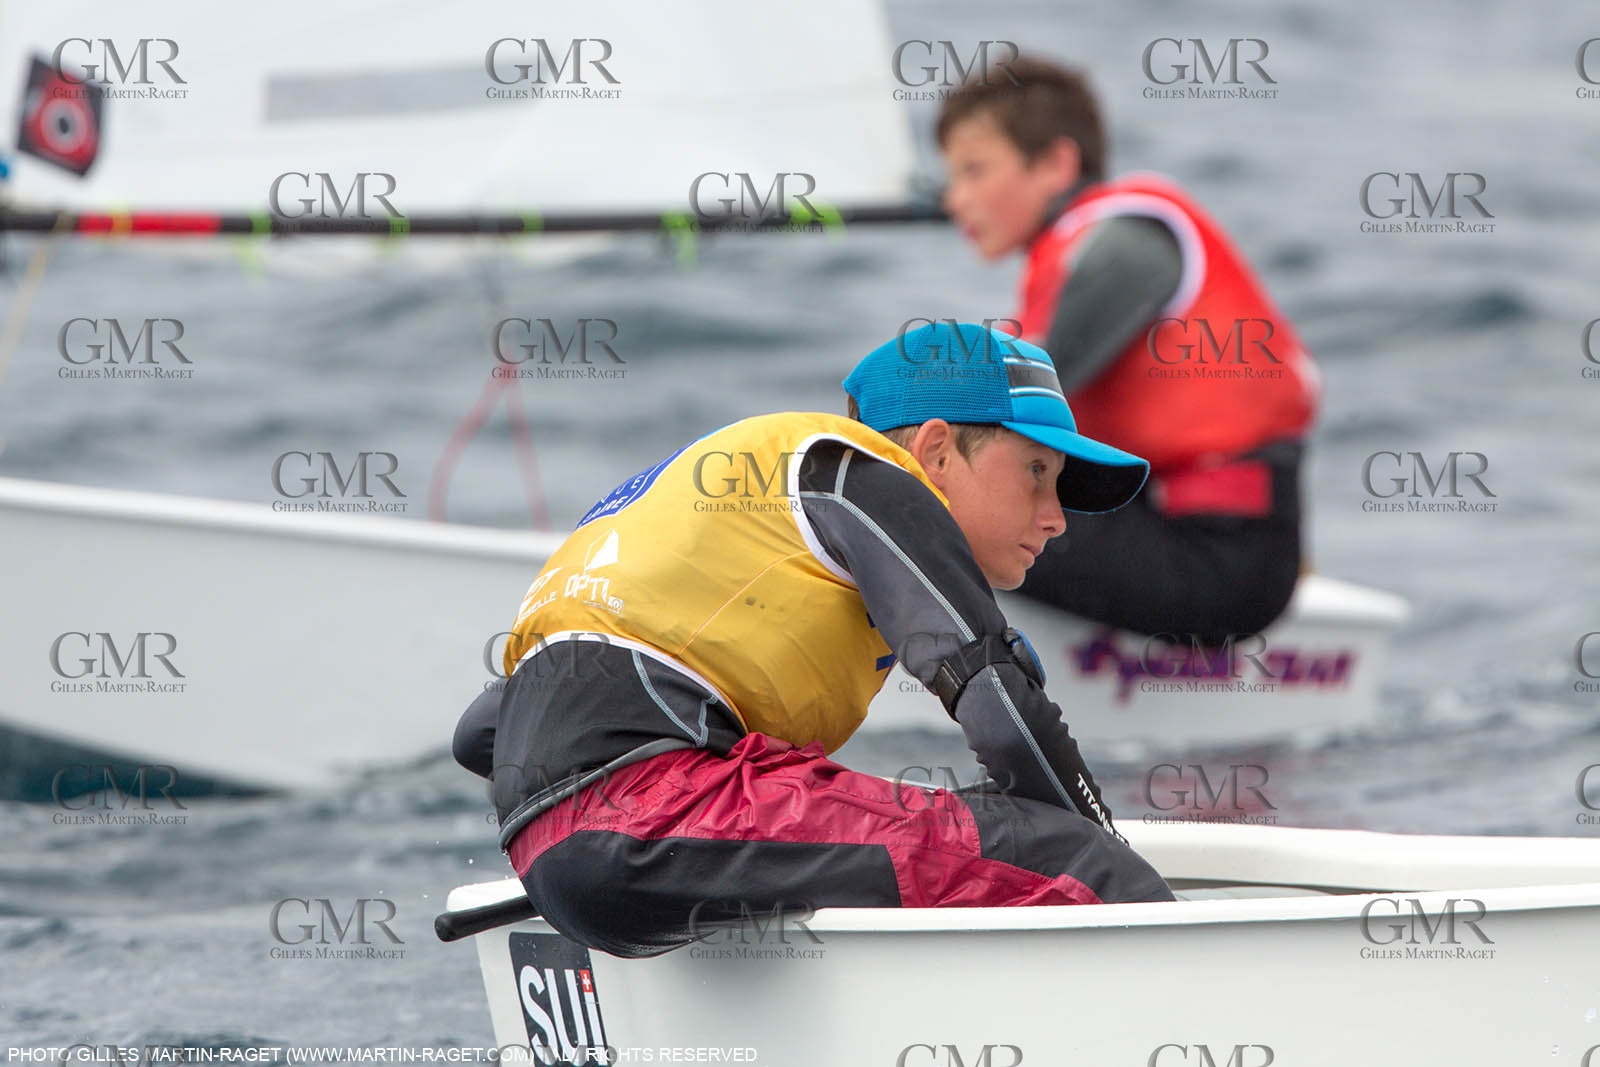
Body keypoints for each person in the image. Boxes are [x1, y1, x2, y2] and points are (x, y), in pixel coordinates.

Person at [452, 321, 1174, 960]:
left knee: (994, 833)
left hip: (551, 854)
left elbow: (479, 734)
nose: (1056, 517)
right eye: (1037, 472)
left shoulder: (733, 517)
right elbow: (1003, 717)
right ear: (935, 450)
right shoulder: (866, 478)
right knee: (1067, 857)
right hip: (654, 818)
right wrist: (1106, 854)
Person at [938, 56, 1321, 645]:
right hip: (1206, 534)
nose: (955, 199)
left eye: (974, 171)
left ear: (1056, 164)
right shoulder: (1076, 249)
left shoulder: (1126, 240)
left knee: (940, 502)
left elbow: (1021, 395)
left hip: (1221, 561)